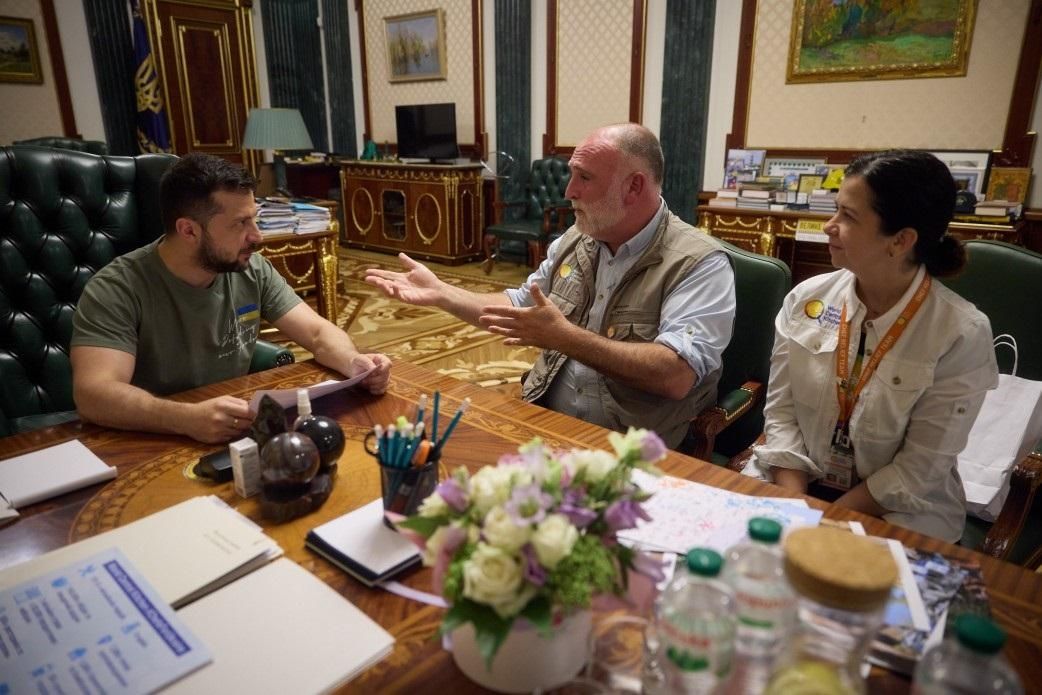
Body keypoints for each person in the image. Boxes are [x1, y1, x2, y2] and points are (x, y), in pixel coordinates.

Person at [365, 123, 736, 448]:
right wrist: (444, 293)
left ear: (634, 187)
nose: (568, 191)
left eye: (584, 178)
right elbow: (521, 304)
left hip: (631, 448)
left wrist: (563, 337)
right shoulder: (576, 240)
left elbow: (675, 375)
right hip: (544, 421)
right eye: (572, 175)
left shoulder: (699, 263)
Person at [745, 150, 998, 542]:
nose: (829, 226)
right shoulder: (806, 300)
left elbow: (919, 470)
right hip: (795, 480)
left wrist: (826, 518)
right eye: (835, 210)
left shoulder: (960, 333)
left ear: (900, 241)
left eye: (848, 216)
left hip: (897, 510)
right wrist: (796, 503)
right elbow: (782, 413)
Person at [70, 153, 391, 443]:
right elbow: (93, 395)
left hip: (231, 430)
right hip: (149, 437)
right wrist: (185, 419)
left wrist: (353, 362)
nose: (257, 236)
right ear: (189, 231)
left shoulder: (250, 268)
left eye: (254, 217)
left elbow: (318, 333)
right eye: (241, 223)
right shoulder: (116, 289)